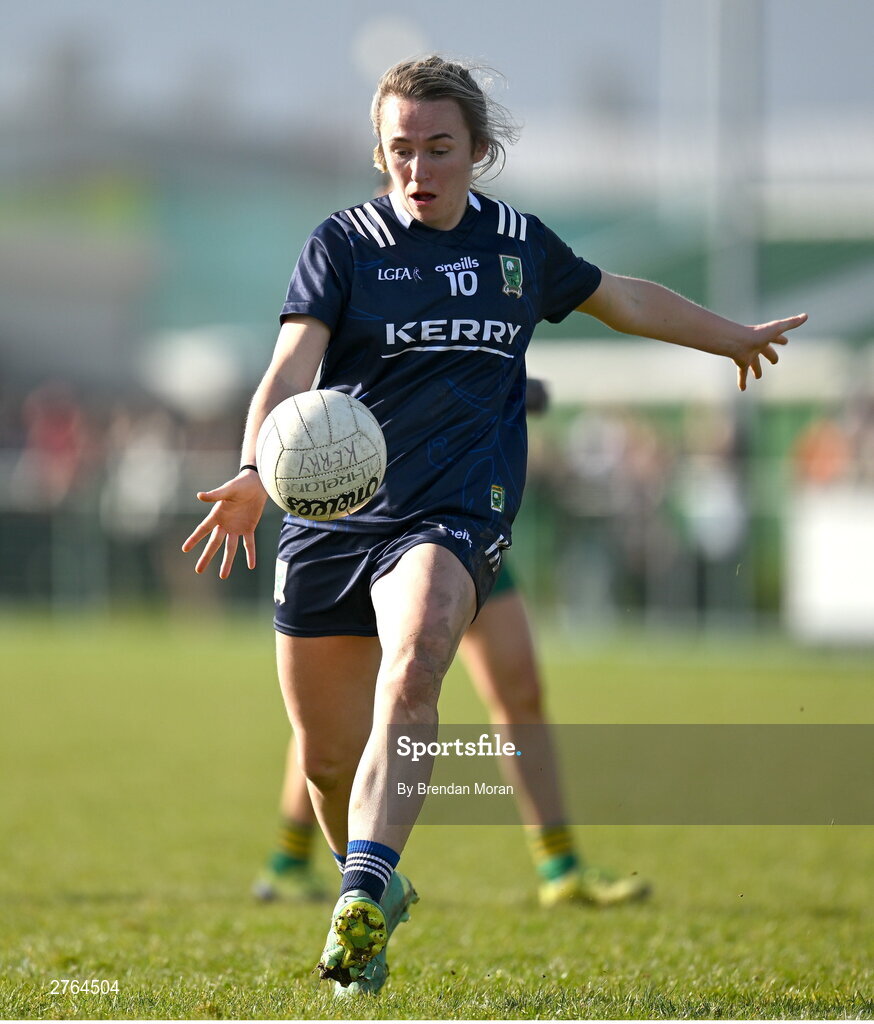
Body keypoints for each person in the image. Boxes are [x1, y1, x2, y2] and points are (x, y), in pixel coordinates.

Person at [182, 55, 806, 996]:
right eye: (401, 150)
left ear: (479, 151)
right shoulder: (343, 244)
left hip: (451, 512)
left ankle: (365, 885)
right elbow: (290, 369)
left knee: (422, 649)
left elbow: (624, 298)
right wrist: (249, 469)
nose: (419, 169)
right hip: (329, 521)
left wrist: (734, 338)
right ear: (380, 152)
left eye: (440, 149)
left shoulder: (518, 245)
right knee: (324, 762)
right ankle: (370, 878)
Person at [253, 381, 651, 912]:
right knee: (343, 719)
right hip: (372, 527)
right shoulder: (360, 308)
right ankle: (291, 859)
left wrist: (503, 388)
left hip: (459, 520)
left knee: (520, 689)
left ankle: (560, 867)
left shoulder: (500, 307)